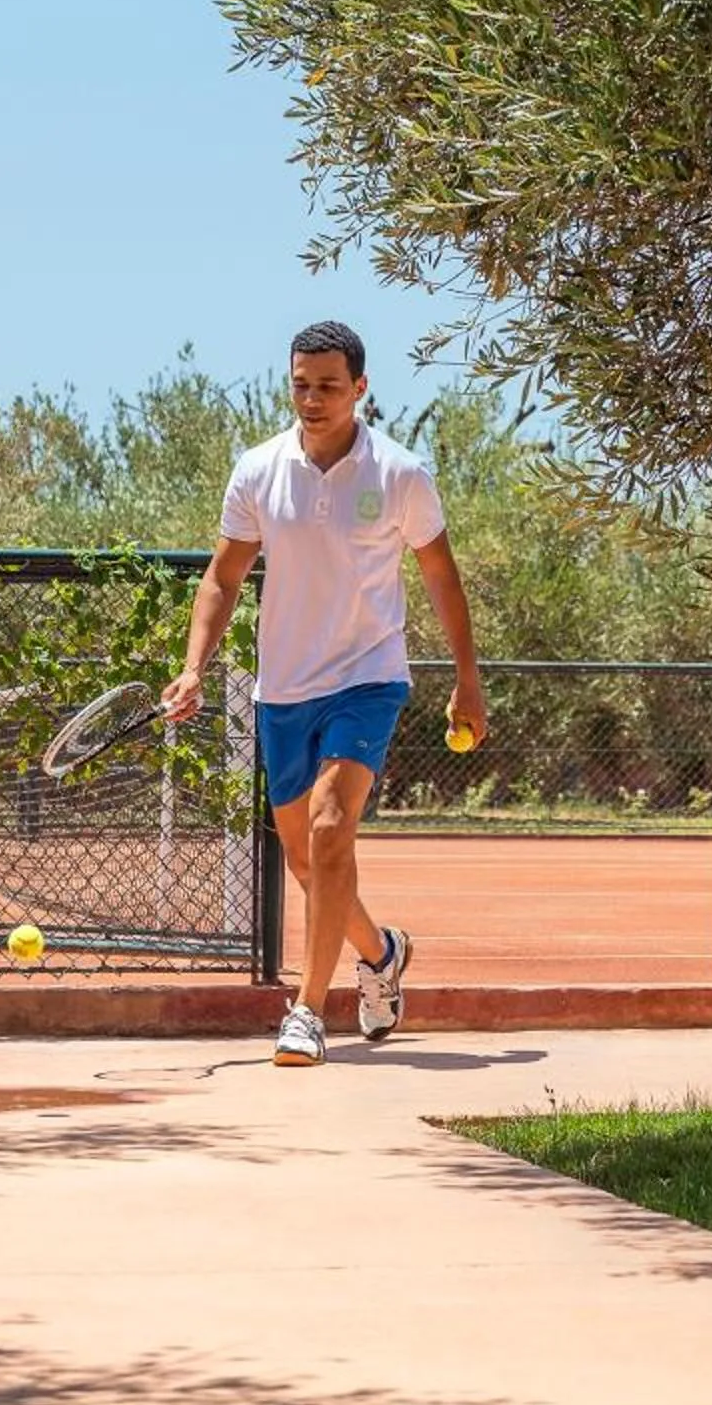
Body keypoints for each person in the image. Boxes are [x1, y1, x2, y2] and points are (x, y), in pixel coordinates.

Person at [163, 322, 486, 1066]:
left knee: (332, 826)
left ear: (360, 388)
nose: (312, 399)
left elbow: (442, 576)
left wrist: (467, 679)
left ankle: (308, 1010)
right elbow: (223, 578)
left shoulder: (400, 474)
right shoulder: (258, 470)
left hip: (368, 678)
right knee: (308, 862)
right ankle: (381, 953)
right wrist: (194, 666)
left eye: (329, 386)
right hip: (283, 687)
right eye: (301, 385)